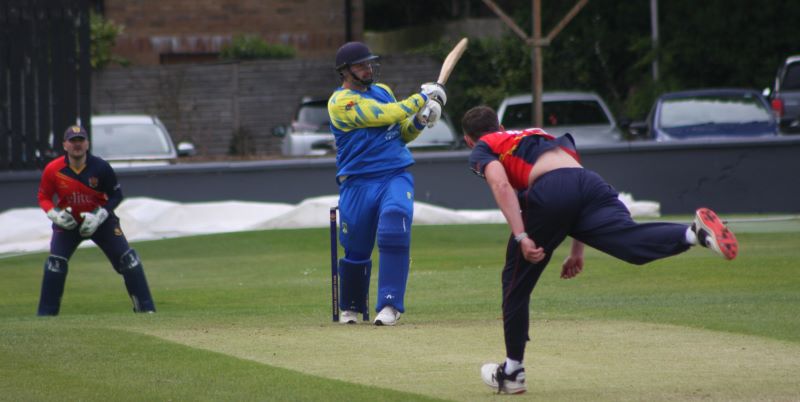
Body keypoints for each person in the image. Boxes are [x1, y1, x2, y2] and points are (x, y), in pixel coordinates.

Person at [460, 106, 739, 394]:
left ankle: (513, 372)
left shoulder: (484, 146)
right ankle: (693, 234)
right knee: (630, 243)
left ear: (469, 140)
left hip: (551, 190)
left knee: (515, 282)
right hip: (590, 183)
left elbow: (501, 184)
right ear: (501, 125)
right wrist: (577, 251)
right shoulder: (536, 134)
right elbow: (570, 182)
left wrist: (521, 236)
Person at [327, 41, 446, 326]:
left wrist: (420, 121)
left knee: (395, 223)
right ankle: (351, 306)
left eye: (369, 63)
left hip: (394, 173)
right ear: (345, 71)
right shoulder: (340, 102)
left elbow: (400, 133)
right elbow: (385, 115)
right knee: (356, 247)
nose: (368, 69)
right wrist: (423, 97)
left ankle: (390, 305)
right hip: (357, 180)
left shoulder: (383, 91)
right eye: (360, 65)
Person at [36, 125, 156, 316]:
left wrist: (100, 214)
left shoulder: (101, 167)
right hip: (68, 223)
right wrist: (54, 214)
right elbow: (44, 197)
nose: (77, 145)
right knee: (55, 264)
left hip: (100, 222)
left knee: (129, 260)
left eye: (81, 140)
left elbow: (116, 195)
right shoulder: (53, 169)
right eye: (73, 141)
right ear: (64, 145)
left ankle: (146, 311)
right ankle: (45, 317)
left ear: (87, 144)